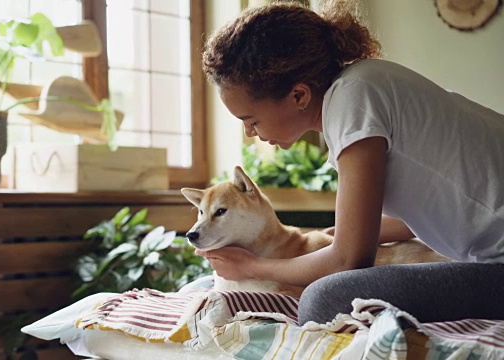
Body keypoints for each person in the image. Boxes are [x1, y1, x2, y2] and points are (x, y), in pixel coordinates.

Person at [198, 0, 504, 325]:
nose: (249, 132)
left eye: (251, 120)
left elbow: (349, 259)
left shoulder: (353, 102)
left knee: (323, 299)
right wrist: (337, 232)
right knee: (212, 288)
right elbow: (446, 207)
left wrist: (251, 266)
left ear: (299, 96)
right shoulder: (360, 85)